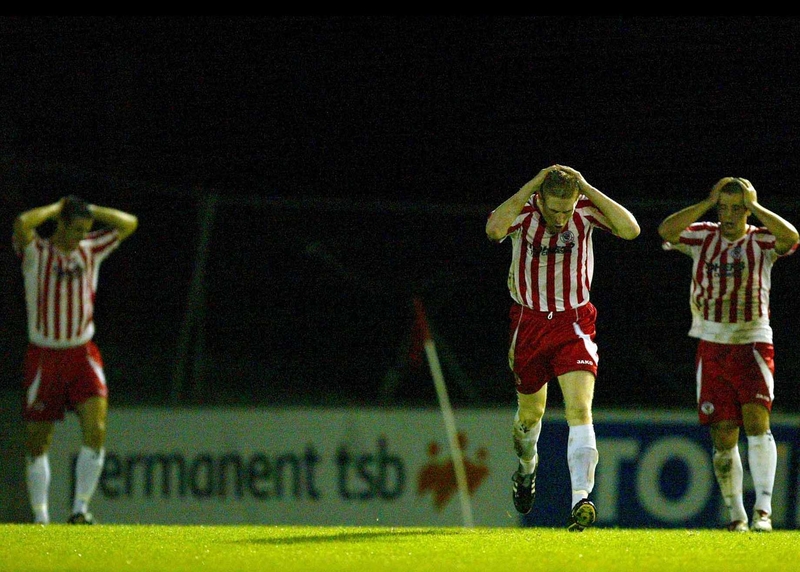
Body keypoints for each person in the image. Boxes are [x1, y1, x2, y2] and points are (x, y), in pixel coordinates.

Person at [485, 165, 640, 531]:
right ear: (540, 198)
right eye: (553, 209)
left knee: (579, 408)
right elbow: (493, 230)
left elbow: (630, 229)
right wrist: (532, 182)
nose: (559, 218)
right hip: (529, 323)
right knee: (529, 416)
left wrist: (585, 186)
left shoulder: (584, 211)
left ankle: (581, 499)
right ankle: (526, 469)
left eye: (566, 210)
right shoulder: (523, 214)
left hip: (574, 322)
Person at [658, 177, 798, 533]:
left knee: (756, 422)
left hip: (751, 339)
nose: (730, 215)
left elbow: (791, 238)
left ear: (748, 209)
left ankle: (764, 511)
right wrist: (706, 202)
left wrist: (757, 208)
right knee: (723, 435)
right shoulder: (703, 235)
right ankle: (736, 515)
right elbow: (667, 230)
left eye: (738, 208)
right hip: (712, 342)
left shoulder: (760, 239)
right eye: (725, 207)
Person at [12, 195, 138, 524]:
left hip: (82, 352)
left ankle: (80, 509)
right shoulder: (36, 253)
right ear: (61, 225)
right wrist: (57, 207)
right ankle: (41, 518)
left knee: (96, 428)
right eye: (76, 229)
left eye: (86, 230)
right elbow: (23, 223)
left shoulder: (90, 250)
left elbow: (129, 223)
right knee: (38, 441)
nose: (81, 236)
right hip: (44, 355)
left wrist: (92, 210)